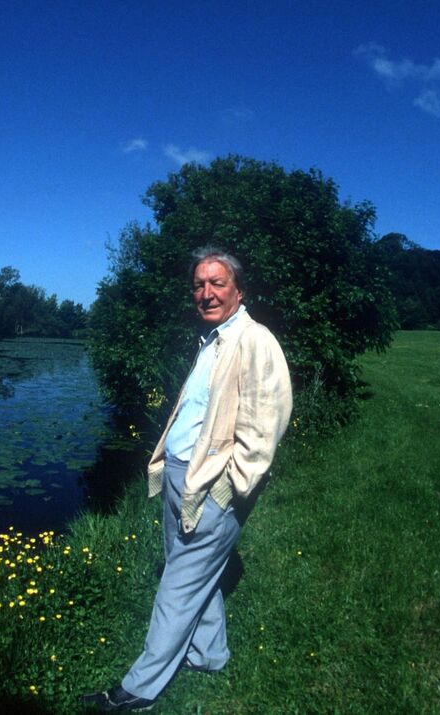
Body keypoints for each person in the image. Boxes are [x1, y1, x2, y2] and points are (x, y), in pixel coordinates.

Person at [83, 247, 293, 711]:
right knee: (198, 574)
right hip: (183, 477)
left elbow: (264, 430)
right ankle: (209, 654)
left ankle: (139, 688)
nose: (206, 293)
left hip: (214, 486)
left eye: (217, 283)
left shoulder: (254, 341)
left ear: (238, 289)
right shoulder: (213, 339)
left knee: (176, 586)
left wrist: (229, 489)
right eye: (199, 285)